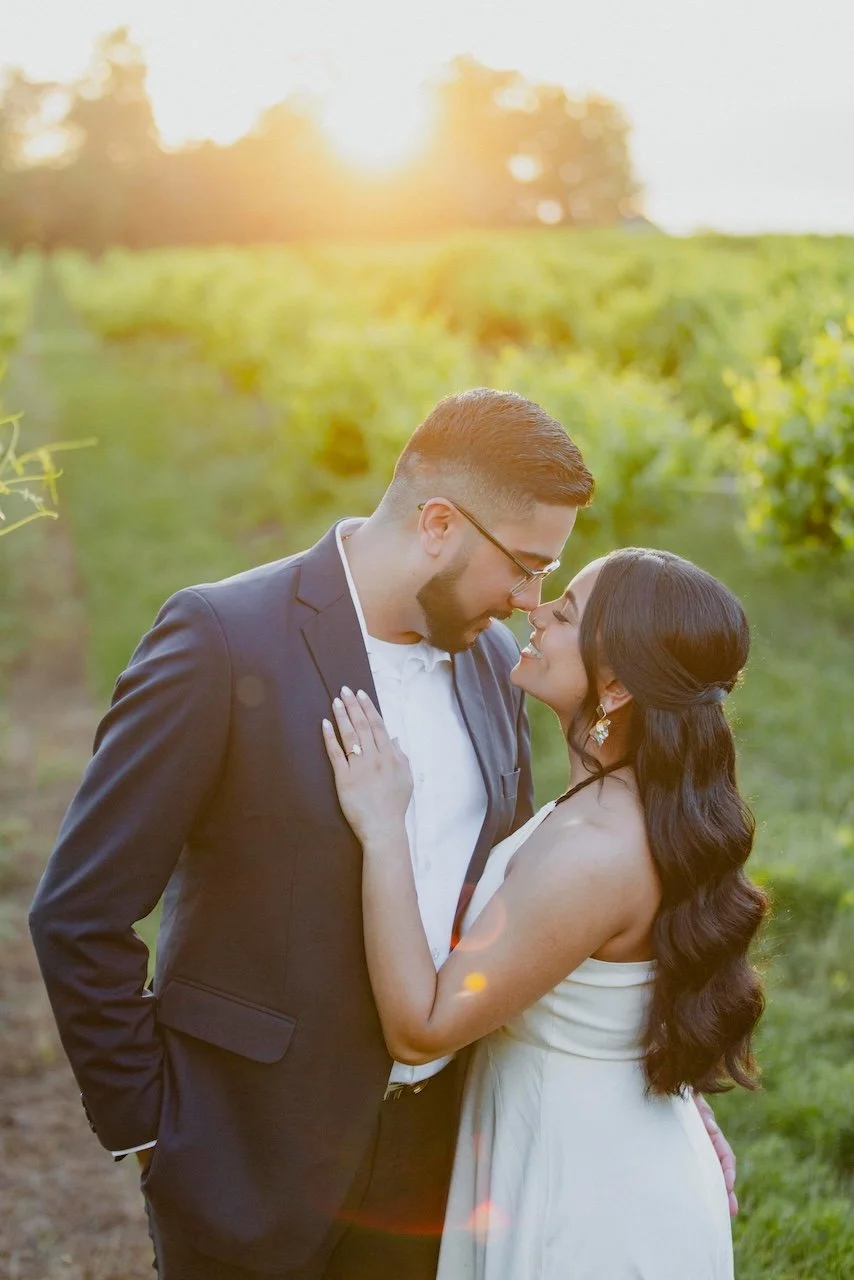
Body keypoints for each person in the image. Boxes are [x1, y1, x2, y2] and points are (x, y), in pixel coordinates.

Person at [29, 388, 733, 1280]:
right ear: (439, 522)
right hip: (247, 1158)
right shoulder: (223, 639)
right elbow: (79, 913)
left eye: (547, 579)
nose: (529, 601)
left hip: (440, 1169)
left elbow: (521, 915)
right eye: (522, 564)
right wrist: (150, 1130)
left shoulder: (491, 666)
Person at [323, 546, 766, 1280]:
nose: (536, 611)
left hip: (586, 1204)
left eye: (564, 614)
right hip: (596, 1144)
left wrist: (383, 825)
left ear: (616, 686)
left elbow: (419, 1027)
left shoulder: (593, 851)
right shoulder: (637, 803)